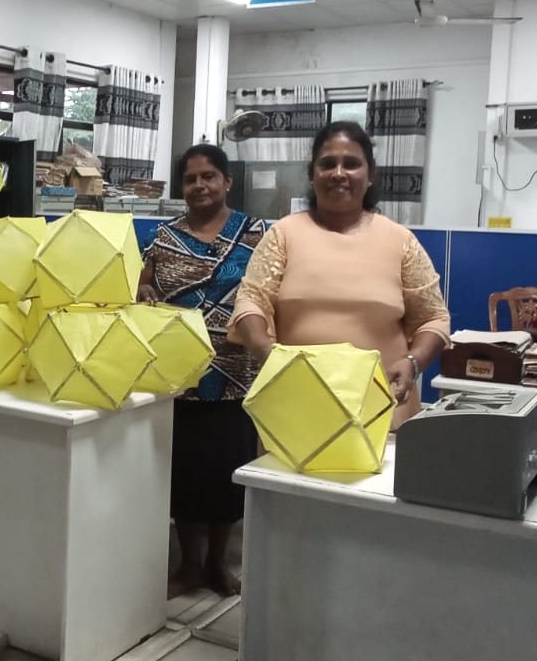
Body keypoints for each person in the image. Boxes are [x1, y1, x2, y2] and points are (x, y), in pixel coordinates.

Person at [229, 121, 450, 430]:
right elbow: (251, 302)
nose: (338, 173)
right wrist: (267, 353)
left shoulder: (400, 241)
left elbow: (434, 319)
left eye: (352, 164)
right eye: (327, 164)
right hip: (295, 413)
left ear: (370, 175)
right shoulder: (283, 235)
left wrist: (412, 364)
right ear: (312, 174)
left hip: (381, 415)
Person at [139, 144, 267, 598]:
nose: (200, 185)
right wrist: (147, 291)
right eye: (191, 178)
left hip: (238, 374)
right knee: (187, 473)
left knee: (228, 473)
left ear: (227, 181)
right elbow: (144, 283)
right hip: (181, 375)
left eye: (209, 176)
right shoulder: (163, 237)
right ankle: (188, 566)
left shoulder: (257, 234)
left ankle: (219, 563)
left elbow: (272, 291)